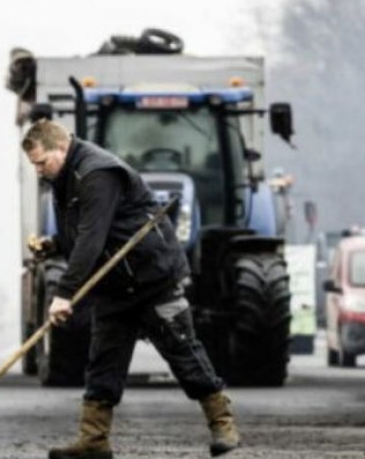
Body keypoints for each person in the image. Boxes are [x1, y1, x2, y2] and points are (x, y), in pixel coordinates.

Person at [21, 120, 240, 459]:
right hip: (114, 286)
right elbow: (78, 235)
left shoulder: (97, 173)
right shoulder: (63, 180)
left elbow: (91, 239)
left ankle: (223, 424)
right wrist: (52, 244)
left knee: (184, 352)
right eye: (33, 165)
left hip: (153, 279)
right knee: (103, 362)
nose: (38, 171)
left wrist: (64, 294)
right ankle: (93, 440)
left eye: (41, 162)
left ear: (61, 149)